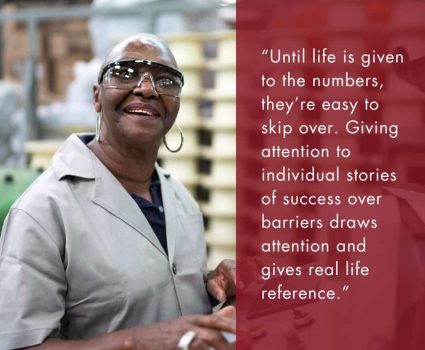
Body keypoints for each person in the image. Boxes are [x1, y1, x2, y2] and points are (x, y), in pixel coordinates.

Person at [0, 33, 236, 350]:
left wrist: (210, 284)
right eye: (126, 73)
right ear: (97, 96)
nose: (148, 88)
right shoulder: (45, 210)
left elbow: (140, 291)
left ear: (177, 105)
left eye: (166, 81)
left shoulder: (180, 200)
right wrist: (137, 342)